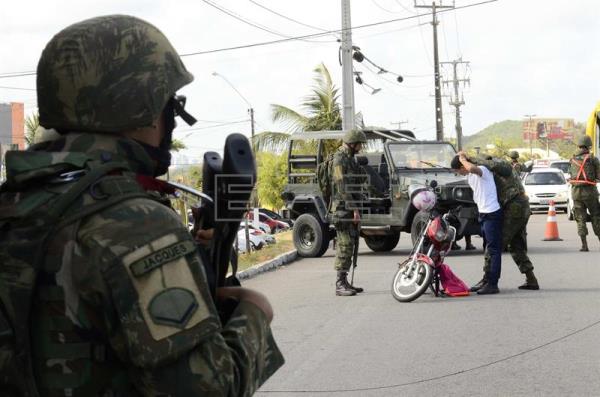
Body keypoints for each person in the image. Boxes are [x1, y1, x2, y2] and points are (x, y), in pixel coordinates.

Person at [0, 15, 283, 395]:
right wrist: (255, 315)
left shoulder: (17, 203)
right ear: (146, 109)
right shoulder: (135, 225)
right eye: (171, 105)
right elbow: (208, 390)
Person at [471, 157, 539, 291]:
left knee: (495, 244)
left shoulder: (503, 166)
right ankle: (531, 279)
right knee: (516, 245)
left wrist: (473, 159)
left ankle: (488, 280)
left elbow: (491, 165)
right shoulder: (500, 169)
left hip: (515, 208)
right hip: (518, 207)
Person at [451, 152, 503, 295]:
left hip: (492, 213)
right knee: (488, 249)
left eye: (458, 170)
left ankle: (493, 284)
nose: (459, 174)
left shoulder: (483, 170)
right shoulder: (470, 176)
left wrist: (462, 159)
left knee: (494, 250)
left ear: (463, 166)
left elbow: (473, 169)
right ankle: (487, 280)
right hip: (483, 214)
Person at [331, 129, 369, 296]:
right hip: (342, 210)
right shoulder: (339, 159)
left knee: (351, 244)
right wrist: (354, 209)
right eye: (359, 144)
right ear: (352, 143)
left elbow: (358, 180)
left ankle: (345, 281)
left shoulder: (350, 159)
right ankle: (340, 284)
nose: (361, 146)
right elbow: (342, 187)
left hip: (350, 208)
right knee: (345, 245)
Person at [569, 135, 600, 251]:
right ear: (588, 146)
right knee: (596, 216)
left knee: (580, 218)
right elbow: (598, 176)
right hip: (590, 192)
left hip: (576, 193)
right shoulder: (592, 158)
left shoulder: (572, 159)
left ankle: (584, 245)